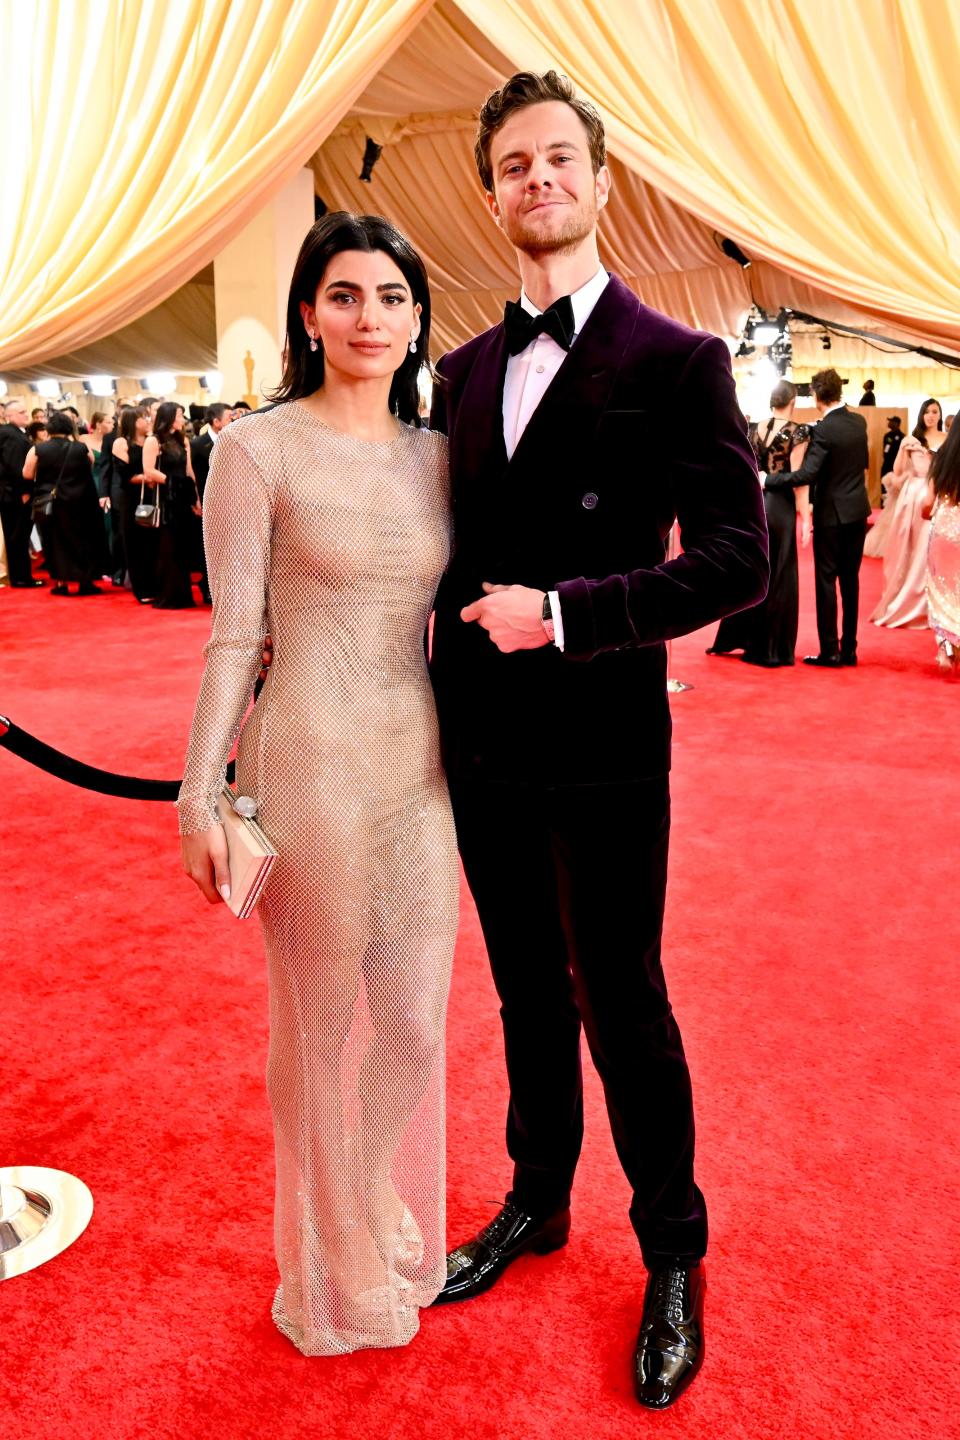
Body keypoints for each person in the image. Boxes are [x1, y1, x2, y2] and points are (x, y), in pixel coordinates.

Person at [426, 71, 767, 1411]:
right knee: (522, 994)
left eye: (559, 159)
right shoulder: (456, 374)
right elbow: (435, 569)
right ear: (492, 191)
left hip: (608, 743)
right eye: (513, 165)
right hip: (482, 751)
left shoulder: (680, 362)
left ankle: (673, 1255)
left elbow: (739, 563)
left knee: (624, 1004)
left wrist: (570, 615)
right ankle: (536, 1199)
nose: (538, 181)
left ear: (602, 178)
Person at [177, 213, 458, 1357]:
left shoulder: (439, 456)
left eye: (392, 298)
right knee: (320, 1017)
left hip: (420, 762)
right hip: (310, 762)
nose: (371, 319)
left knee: (417, 1024)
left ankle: (367, 1175)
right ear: (307, 312)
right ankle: (339, 1228)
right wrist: (200, 794)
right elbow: (234, 640)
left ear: (417, 316)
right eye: (345, 296)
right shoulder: (258, 449)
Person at [766, 367, 869, 666]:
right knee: (851, 582)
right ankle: (849, 648)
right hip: (857, 511)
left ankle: (830, 650)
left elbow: (806, 474)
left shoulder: (823, 429)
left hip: (830, 515)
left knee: (826, 581)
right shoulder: (858, 422)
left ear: (816, 395)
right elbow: (861, 463)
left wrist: (768, 480)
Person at [707, 379, 810, 665]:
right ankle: (771, 649)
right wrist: (806, 518)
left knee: (751, 570)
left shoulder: (756, 428)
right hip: (781, 508)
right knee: (781, 577)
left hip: (754, 505)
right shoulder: (797, 432)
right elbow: (798, 480)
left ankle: (738, 638)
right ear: (793, 402)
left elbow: (746, 469)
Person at [871, 398, 943, 629]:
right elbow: (898, 470)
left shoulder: (946, 439)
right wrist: (904, 449)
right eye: (927, 412)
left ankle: (930, 602)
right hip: (912, 495)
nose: (931, 416)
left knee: (931, 547)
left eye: (935, 412)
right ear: (921, 415)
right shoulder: (910, 439)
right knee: (908, 545)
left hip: (935, 493)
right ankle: (907, 597)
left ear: (940, 415)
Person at [23, 410, 107, 595]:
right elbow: (90, 465)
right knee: (83, 541)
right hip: (82, 501)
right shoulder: (81, 447)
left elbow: (27, 474)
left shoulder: (38, 449)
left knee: (56, 542)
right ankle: (86, 582)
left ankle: (61, 583)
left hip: (53, 503)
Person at [143, 402, 200, 608]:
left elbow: (189, 470)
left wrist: (195, 497)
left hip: (182, 499)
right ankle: (168, 594)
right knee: (168, 548)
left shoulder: (182, 440)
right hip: (165, 499)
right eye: (179, 415)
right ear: (169, 417)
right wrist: (171, 482)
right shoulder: (154, 440)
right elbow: (148, 470)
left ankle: (183, 594)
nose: (183, 419)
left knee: (183, 548)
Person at [924, 409, 960, 671]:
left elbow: (927, 502)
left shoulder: (940, 459)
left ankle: (945, 647)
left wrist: (926, 514)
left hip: (943, 530)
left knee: (941, 589)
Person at [189, 402, 232, 603]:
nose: (232, 420)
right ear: (216, 422)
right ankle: (207, 585)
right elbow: (195, 475)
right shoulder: (198, 444)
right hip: (207, 500)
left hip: (230, 501)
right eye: (229, 417)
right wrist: (198, 500)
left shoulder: (234, 440)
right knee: (207, 545)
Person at [0, 398, 42, 587]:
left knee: (17, 537)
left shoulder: (13, 433)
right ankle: (22, 578)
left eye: (26, 411)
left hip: (11, 494)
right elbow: (14, 466)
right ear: (8, 416)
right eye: (21, 413)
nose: (26, 415)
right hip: (15, 495)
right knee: (18, 537)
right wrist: (23, 492)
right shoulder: (12, 435)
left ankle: (20, 576)